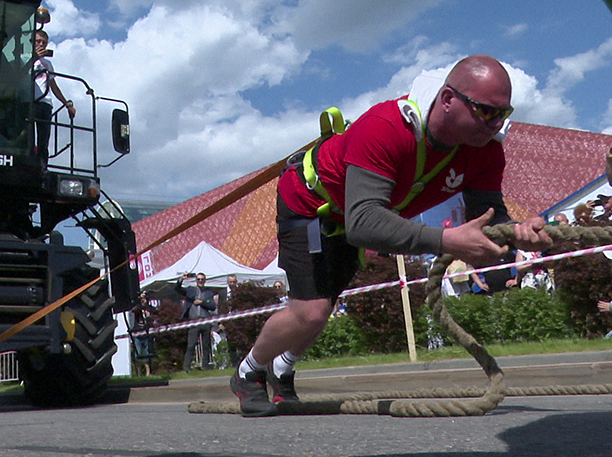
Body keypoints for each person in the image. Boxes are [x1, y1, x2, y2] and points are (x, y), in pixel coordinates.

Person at [230, 55, 553, 417]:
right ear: (447, 99)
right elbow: (364, 223)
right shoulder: (387, 126)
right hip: (309, 202)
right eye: (485, 111)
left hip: (359, 215)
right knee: (311, 312)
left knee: (326, 305)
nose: (494, 124)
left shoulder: (487, 152)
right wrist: (446, 241)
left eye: (502, 114)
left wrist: (518, 234)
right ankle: (249, 372)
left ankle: (282, 367)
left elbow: (490, 218)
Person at [32, 30, 76, 167]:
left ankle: (42, 166)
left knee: (44, 139)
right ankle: (29, 161)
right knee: (27, 136)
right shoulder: (24, 59)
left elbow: (54, 86)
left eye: (44, 43)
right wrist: (32, 59)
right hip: (28, 102)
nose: (41, 45)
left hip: (45, 103)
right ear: (32, 43)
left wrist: (67, 104)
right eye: (38, 41)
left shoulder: (48, 64)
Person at [174, 272, 217, 373]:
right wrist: (181, 279)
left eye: (202, 279)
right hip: (194, 321)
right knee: (191, 344)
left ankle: (205, 365)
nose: (200, 281)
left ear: (205, 281)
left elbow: (212, 305)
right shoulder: (191, 290)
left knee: (206, 345)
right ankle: (187, 367)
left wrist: (202, 302)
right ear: (196, 280)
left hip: (205, 320)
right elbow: (177, 290)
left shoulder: (209, 293)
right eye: (198, 279)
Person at [130, 291, 156, 376]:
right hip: (138, 333)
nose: (142, 300)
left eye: (144, 298)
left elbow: (154, 316)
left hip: (147, 333)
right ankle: (139, 373)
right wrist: (140, 305)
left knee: (147, 353)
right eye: (141, 298)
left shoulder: (150, 308)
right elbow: (134, 310)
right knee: (138, 353)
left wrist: (149, 316)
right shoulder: (137, 308)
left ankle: (148, 373)